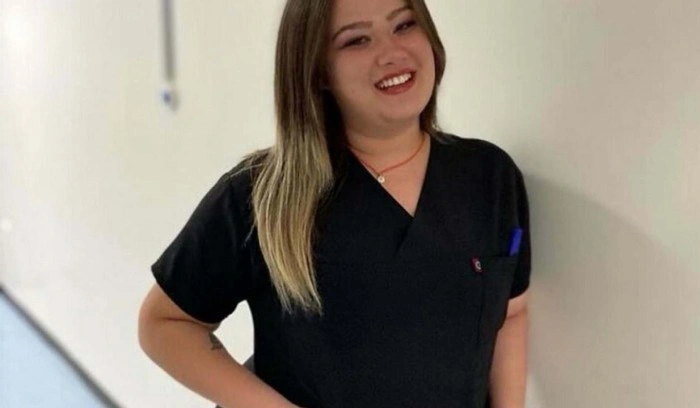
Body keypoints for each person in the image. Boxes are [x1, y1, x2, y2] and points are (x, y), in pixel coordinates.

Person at [137, 0, 531, 407]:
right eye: (356, 40)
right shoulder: (265, 195)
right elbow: (164, 324)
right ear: (318, 70)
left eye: (404, 25)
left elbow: (511, 313)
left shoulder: (488, 177)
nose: (391, 52)